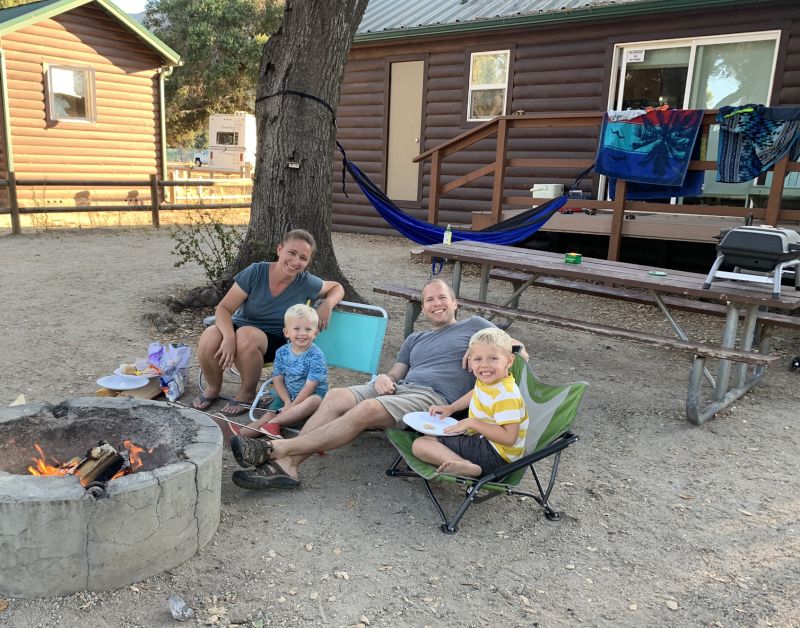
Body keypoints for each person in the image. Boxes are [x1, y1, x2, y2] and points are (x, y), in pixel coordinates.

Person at [228, 278, 527, 491]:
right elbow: (397, 372)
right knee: (336, 396)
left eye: (442, 298)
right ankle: (289, 465)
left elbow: (518, 351)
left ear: (455, 303)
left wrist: (476, 352)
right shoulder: (415, 339)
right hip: (402, 388)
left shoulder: (475, 326)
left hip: (433, 398)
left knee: (368, 409)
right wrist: (386, 378)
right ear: (424, 308)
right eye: (429, 300)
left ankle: (277, 450)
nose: (436, 304)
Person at [192, 229, 343, 415]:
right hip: (240, 327)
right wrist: (229, 338)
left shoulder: (306, 282)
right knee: (210, 335)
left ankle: (247, 393)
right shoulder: (256, 271)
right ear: (280, 250)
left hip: (274, 338)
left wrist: (328, 304)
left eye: (303, 258)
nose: (296, 261)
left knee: (246, 335)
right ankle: (213, 388)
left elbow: (337, 287)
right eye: (292, 253)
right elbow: (223, 309)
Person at [412, 328, 528, 478]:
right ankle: (463, 463)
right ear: (470, 361)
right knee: (430, 431)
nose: (484, 365)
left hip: (497, 458)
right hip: (484, 443)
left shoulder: (506, 395)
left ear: (509, 361)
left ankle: (466, 466)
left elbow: (509, 438)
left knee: (420, 445)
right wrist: (451, 408)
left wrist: (472, 423)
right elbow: (476, 393)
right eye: (478, 359)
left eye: (493, 358)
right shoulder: (490, 381)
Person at [236, 303, 328, 438]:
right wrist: (287, 402)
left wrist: (292, 406)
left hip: (311, 394)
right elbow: (278, 379)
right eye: (296, 328)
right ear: (286, 332)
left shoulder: (316, 355)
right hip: (287, 394)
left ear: (315, 333)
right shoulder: (281, 352)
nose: (302, 333)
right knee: (268, 415)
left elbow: (311, 386)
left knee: (314, 401)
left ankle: (273, 424)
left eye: (308, 329)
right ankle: (240, 435)